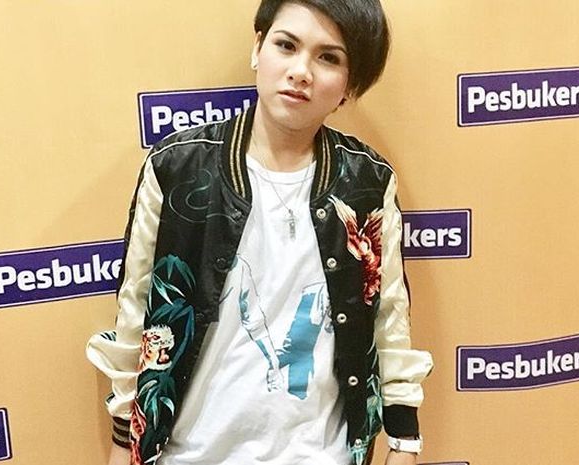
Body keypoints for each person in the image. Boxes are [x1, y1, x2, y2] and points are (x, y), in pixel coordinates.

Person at [86, 1, 434, 464]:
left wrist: (404, 443)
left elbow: (389, 317)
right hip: (189, 454)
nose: (300, 72)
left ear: (349, 85)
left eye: (328, 57)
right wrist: (123, 441)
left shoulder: (366, 182)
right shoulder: (177, 168)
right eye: (286, 45)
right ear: (257, 48)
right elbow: (136, 316)